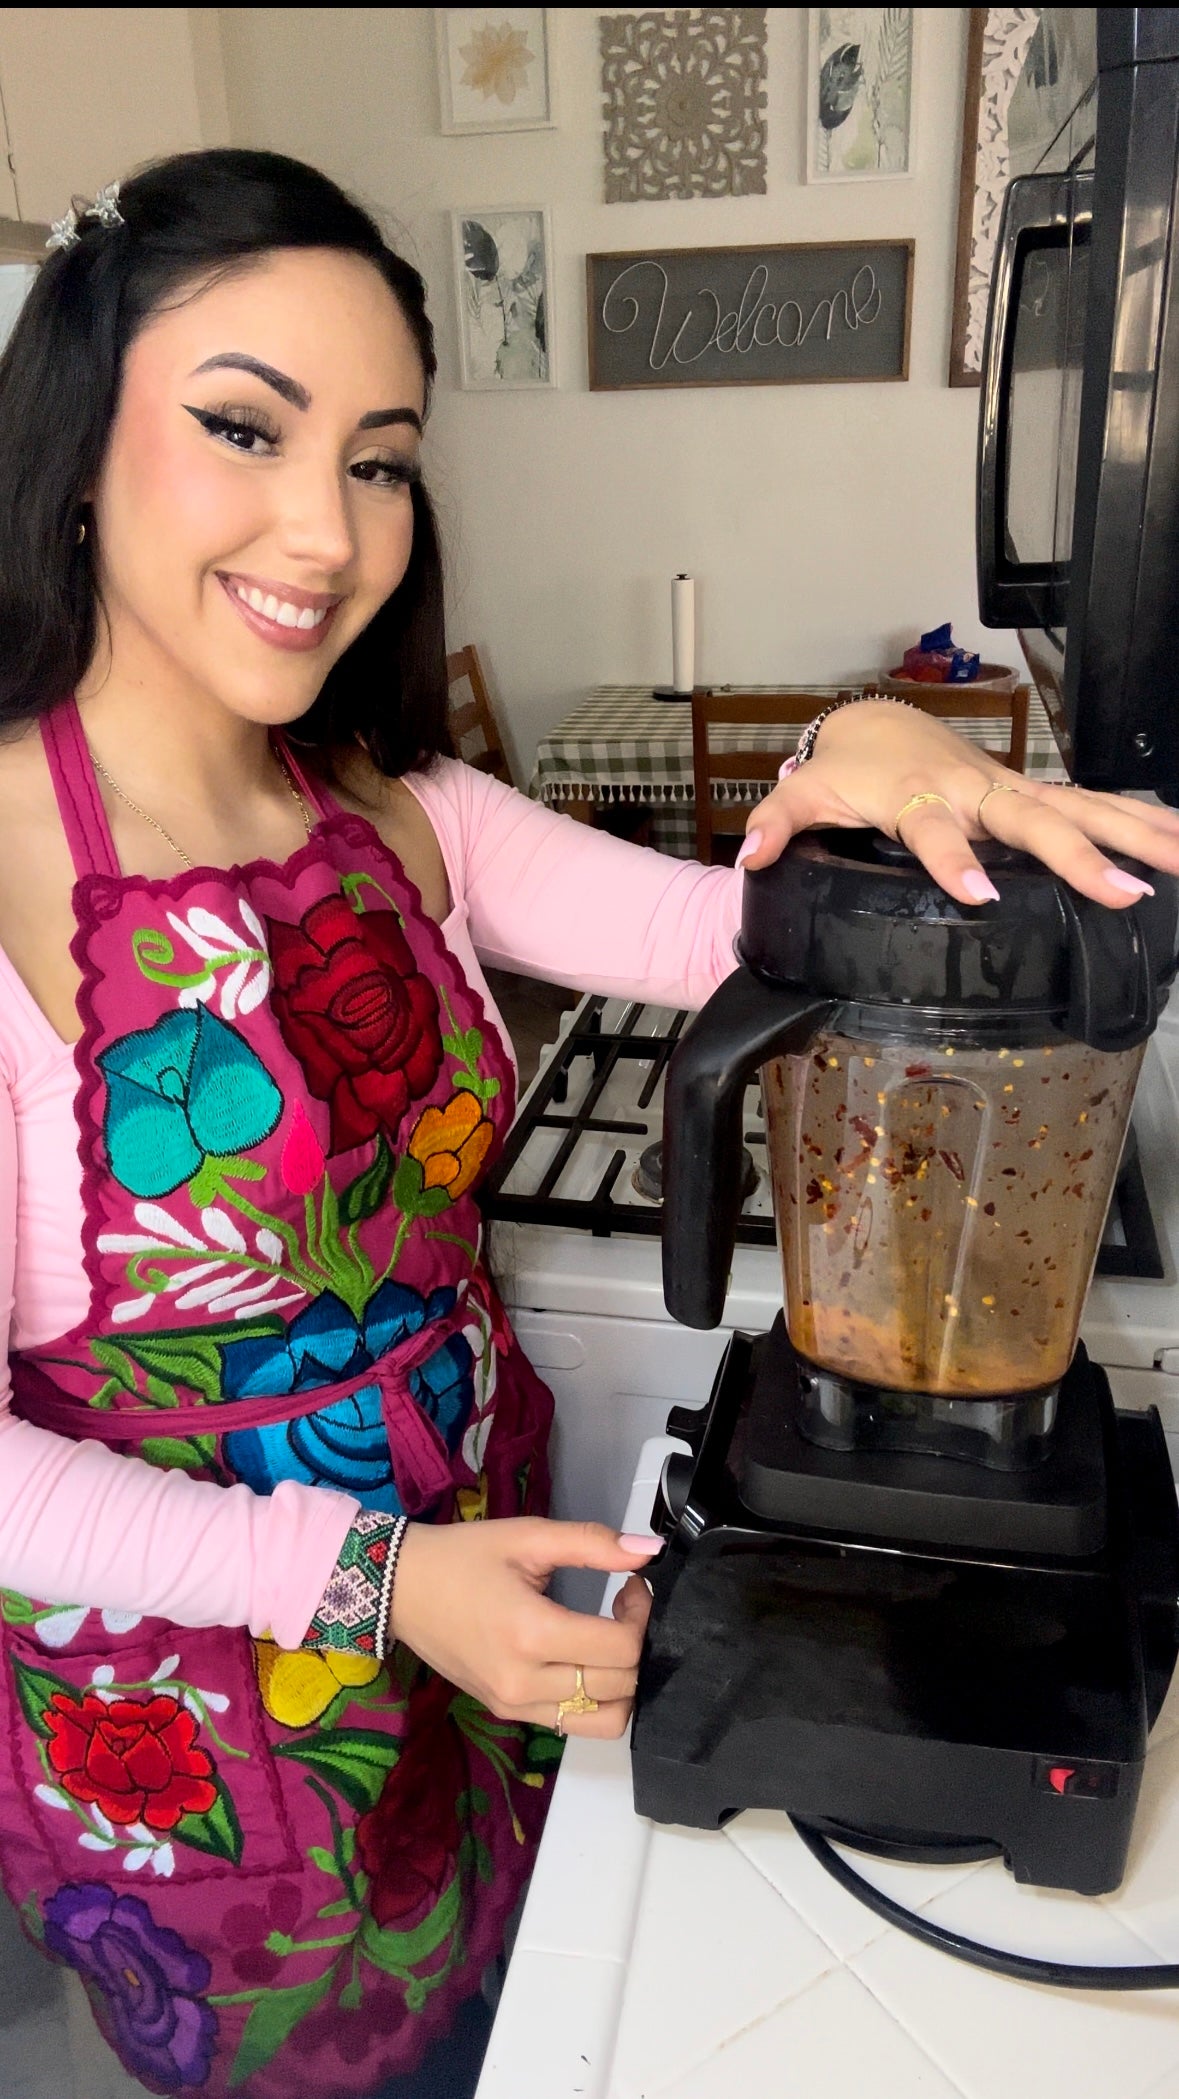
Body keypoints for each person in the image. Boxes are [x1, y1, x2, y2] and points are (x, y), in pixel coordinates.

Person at [0, 147, 1175, 2099]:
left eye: (377, 455)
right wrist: (365, 1582)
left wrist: (856, 751)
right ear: (74, 447)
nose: (330, 524)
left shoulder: (391, 811)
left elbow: (735, 926)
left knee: (516, 2023)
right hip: (213, 1705)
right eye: (242, 428)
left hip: (490, 1596)